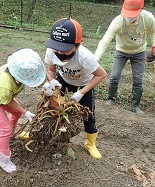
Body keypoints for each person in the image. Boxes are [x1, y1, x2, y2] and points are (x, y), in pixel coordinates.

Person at [43, 18, 108, 159]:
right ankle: (39, 131)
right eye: (56, 48)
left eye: (65, 50)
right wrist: (51, 81)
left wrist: (81, 92)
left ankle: (90, 144)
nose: (59, 53)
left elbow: (101, 74)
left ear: (77, 45)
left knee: (89, 114)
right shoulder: (50, 51)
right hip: (63, 80)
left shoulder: (85, 57)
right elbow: (51, 69)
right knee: (47, 105)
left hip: (84, 84)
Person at [0, 48, 46, 173]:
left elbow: (10, 101)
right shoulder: (5, 85)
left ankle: (11, 135)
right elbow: (7, 101)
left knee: (16, 112)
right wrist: (25, 111)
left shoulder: (18, 70)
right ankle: (2, 160)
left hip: (0, 95)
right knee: (5, 129)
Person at [94, 0, 155, 114]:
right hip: (121, 51)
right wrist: (95, 59)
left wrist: (154, 46)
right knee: (114, 76)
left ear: (140, 10)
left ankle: (135, 106)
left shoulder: (148, 18)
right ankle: (110, 99)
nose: (128, 18)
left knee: (138, 80)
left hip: (139, 52)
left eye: (132, 15)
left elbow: (154, 31)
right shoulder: (118, 21)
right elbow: (105, 41)